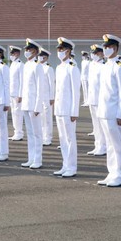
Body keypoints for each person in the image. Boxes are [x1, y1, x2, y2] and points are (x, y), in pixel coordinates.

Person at [96, 34, 121, 187]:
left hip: (114, 112)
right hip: (104, 111)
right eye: (105, 47)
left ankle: (119, 174)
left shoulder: (119, 67)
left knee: (116, 145)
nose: (106, 49)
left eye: (109, 47)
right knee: (109, 144)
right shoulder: (105, 66)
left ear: (115, 48)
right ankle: (111, 172)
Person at [53, 37, 81, 177]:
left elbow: (76, 91)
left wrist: (74, 111)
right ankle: (65, 165)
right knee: (63, 139)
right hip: (60, 108)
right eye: (58, 49)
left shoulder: (72, 67)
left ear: (69, 51)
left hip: (68, 109)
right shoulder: (59, 67)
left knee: (70, 139)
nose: (59, 52)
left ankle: (72, 167)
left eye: (62, 49)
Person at [20, 39, 46, 169]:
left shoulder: (38, 65)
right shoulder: (26, 65)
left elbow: (40, 88)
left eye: (29, 50)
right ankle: (31, 158)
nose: (27, 52)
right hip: (26, 103)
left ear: (35, 51)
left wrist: (37, 106)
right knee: (30, 133)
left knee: (37, 134)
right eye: (26, 50)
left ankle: (38, 159)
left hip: (33, 105)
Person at [86, 44, 107, 156]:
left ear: (102, 54)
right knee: (96, 125)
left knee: (101, 124)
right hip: (92, 98)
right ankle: (97, 145)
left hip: (100, 100)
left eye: (96, 53)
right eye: (93, 53)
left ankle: (103, 146)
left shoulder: (104, 66)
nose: (93, 55)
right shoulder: (92, 65)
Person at [38, 48, 55, 146]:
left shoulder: (49, 68)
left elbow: (51, 84)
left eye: (41, 56)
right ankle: (42, 136)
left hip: (47, 96)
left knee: (47, 118)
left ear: (46, 57)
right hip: (39, 97)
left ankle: (48, 137)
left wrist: (51, 97)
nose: (39, 57)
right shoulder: (38, 67)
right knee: (40, 118)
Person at [8, 45, 24, 141]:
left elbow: (22, 81)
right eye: (11, 53)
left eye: (13, 53)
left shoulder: (20, 65)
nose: (12, 55)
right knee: (14, 113)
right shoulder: (13, 64)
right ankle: (16, 131)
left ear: (17, 53)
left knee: (18, 114)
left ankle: (19, 132)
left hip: (17, 93)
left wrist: (20, 94)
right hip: (12, 93)